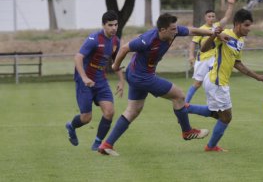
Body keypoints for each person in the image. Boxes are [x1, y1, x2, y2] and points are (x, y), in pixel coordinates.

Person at [98, 13, 221, 156]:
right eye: (173, 29)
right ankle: (187, 131)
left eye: (176, 28)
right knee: (179, 95)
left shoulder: (172, 32)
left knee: (133, 111)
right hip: (141, 76)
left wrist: (212, 33)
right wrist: (115, 66)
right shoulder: (148, 39)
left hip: (136, 75)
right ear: (163, 30)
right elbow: (125, 48)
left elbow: (192, 30)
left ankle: (106, 145)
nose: (176, 31)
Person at [186, 9, 263, 152]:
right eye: (246, 25)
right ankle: (211, 146)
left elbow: (237, 63)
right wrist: (214, 35)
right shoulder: (225, 35)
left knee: (216, 113)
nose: (249, 29)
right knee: (226, 117)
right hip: (217, 82)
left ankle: (185, 108)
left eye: (250, 25)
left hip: (216, 80)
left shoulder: (240, 41)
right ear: (237, 24)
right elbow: (204, 48)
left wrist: (258, 77)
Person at [65, 10, 125, 151]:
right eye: (110, 25)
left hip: (101, 81)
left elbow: (116, 62)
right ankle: (71, 126)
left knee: (109, 111)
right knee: (86, 118)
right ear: (103, 25)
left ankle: (97, 143)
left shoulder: (116, 41)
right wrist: (84, 77)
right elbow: (78, 57)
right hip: (84, 82)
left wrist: (122, 81)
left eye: (116, 25)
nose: (114, 28)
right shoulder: (94, 39)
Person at [185, 0, 237, 103]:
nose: (211, 18)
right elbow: (193, 43)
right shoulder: (201, 29)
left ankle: (216, 103)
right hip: (203, 60)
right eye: (209, 16)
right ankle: (185, 103)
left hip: (215, 59)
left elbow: (227, 17)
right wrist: (190, 56)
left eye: (213, 16)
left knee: (214, 81)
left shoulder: (217, 27)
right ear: (205, 17)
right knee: (198, 83)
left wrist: (231, 5)